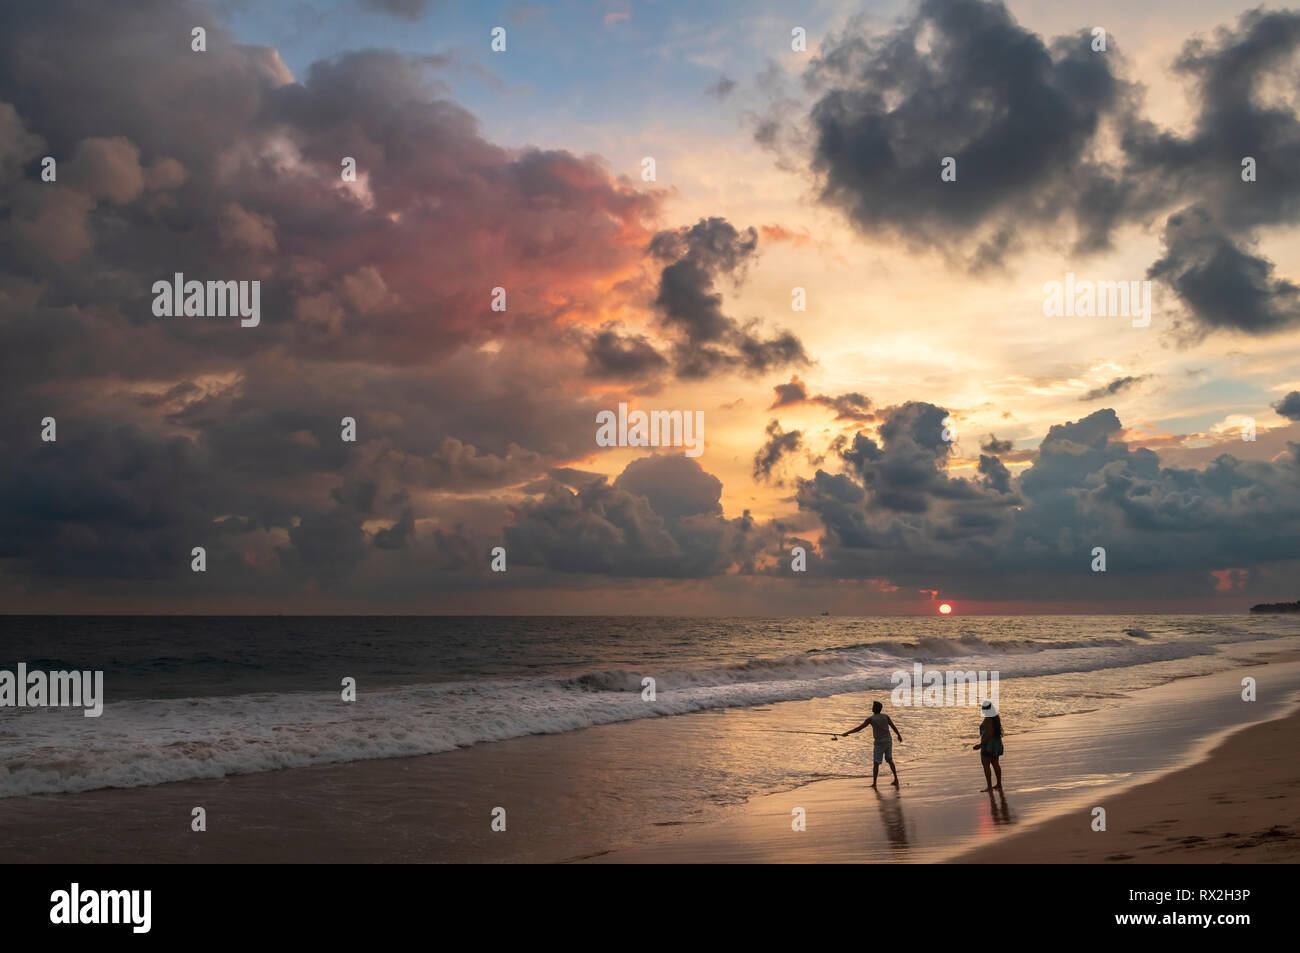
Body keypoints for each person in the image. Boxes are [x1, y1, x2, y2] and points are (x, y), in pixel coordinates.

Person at [842, 700, 902, 788]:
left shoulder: (871, 719)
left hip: (879, 743)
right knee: (889, 760)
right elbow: (893, 726)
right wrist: (899, 735)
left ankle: (874, 783)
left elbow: (859, 728)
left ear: (874, 709)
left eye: (873, 706)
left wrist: (847, 732)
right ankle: (896, 779)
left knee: (876, 763)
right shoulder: (886, 716)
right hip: (888, 740)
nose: (872, 707)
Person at [972, 698, 1004, 792]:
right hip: (996, 743)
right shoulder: (995, 718)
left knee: (986, 765)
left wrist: (980, 745)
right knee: (996, 764)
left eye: (983, 708)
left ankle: (989, 787)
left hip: (988, 745)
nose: (982, 710)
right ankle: (999, 784)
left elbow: (988, 734)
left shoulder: (987, 720)